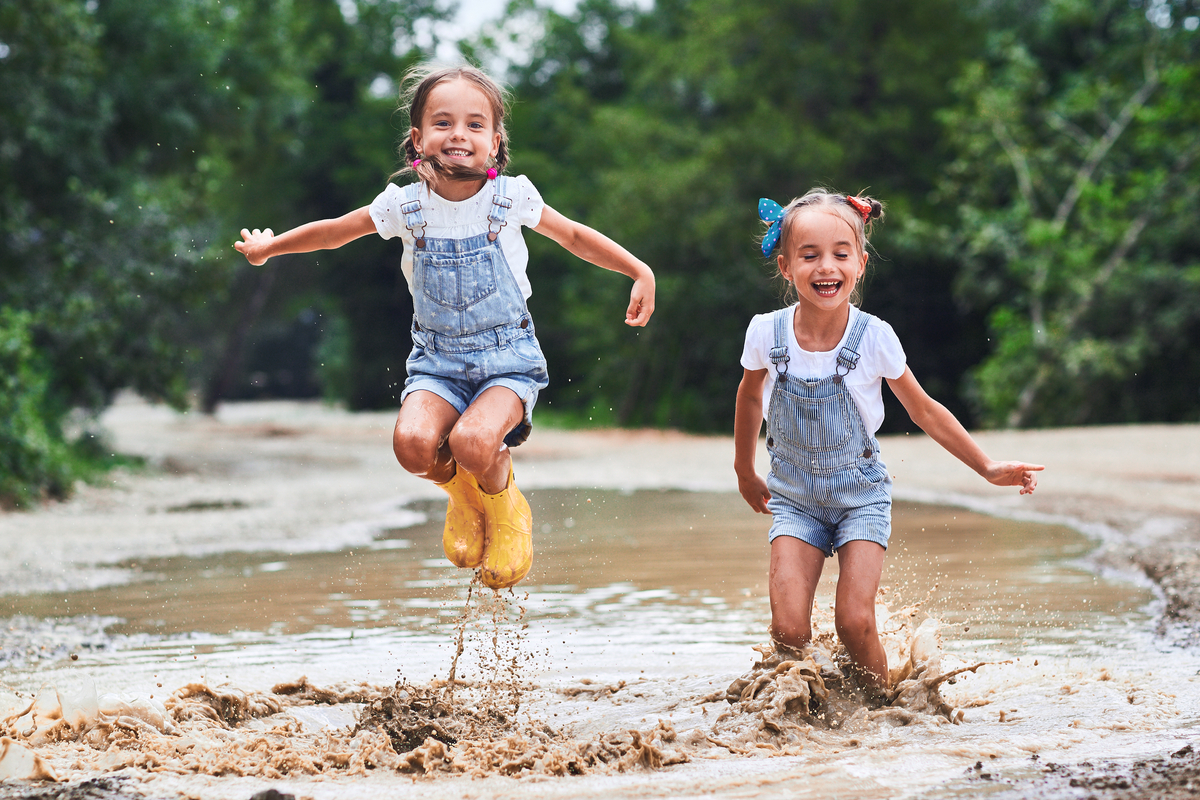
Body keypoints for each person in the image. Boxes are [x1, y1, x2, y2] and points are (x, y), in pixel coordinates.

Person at [235, 64, 655, 591]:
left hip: (507, 357)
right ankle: (464, 497)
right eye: (443, 122)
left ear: (495, 143)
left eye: (475, 125)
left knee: (474, 441)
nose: (459, 134)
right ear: (418, 139)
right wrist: (270, 246)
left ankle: (507, 511)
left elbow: (572, 235)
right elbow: (334, 233)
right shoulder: (404, 206)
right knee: (412, 445)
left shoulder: (511, 198)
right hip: (436, 360)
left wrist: (638, 269)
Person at [733, 188, 1041, 695]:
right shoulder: (765, 333)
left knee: (855, 624)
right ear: (786, 266)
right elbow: (748, 399)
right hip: (793, 498)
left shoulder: (875, 337)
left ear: (860, 262)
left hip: (860, 496)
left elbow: (924, 410)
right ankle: (806, 716)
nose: (825, 266)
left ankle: (883, 706)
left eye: (839, 253)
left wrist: (987, 466)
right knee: (788, 631)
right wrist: (745, 470)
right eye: (809, 256)